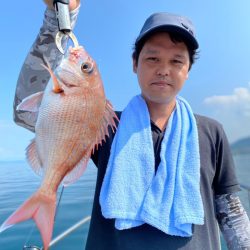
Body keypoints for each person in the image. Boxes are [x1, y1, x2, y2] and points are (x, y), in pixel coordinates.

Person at [13, 1, 250, 250]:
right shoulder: (106, 124)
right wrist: (57, 18)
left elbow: (229, 207)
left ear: (188, 69)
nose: (163, 70)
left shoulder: (212, 131)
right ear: (135, 63)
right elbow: (25, 114)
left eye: (177, 61)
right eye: (153, 58)